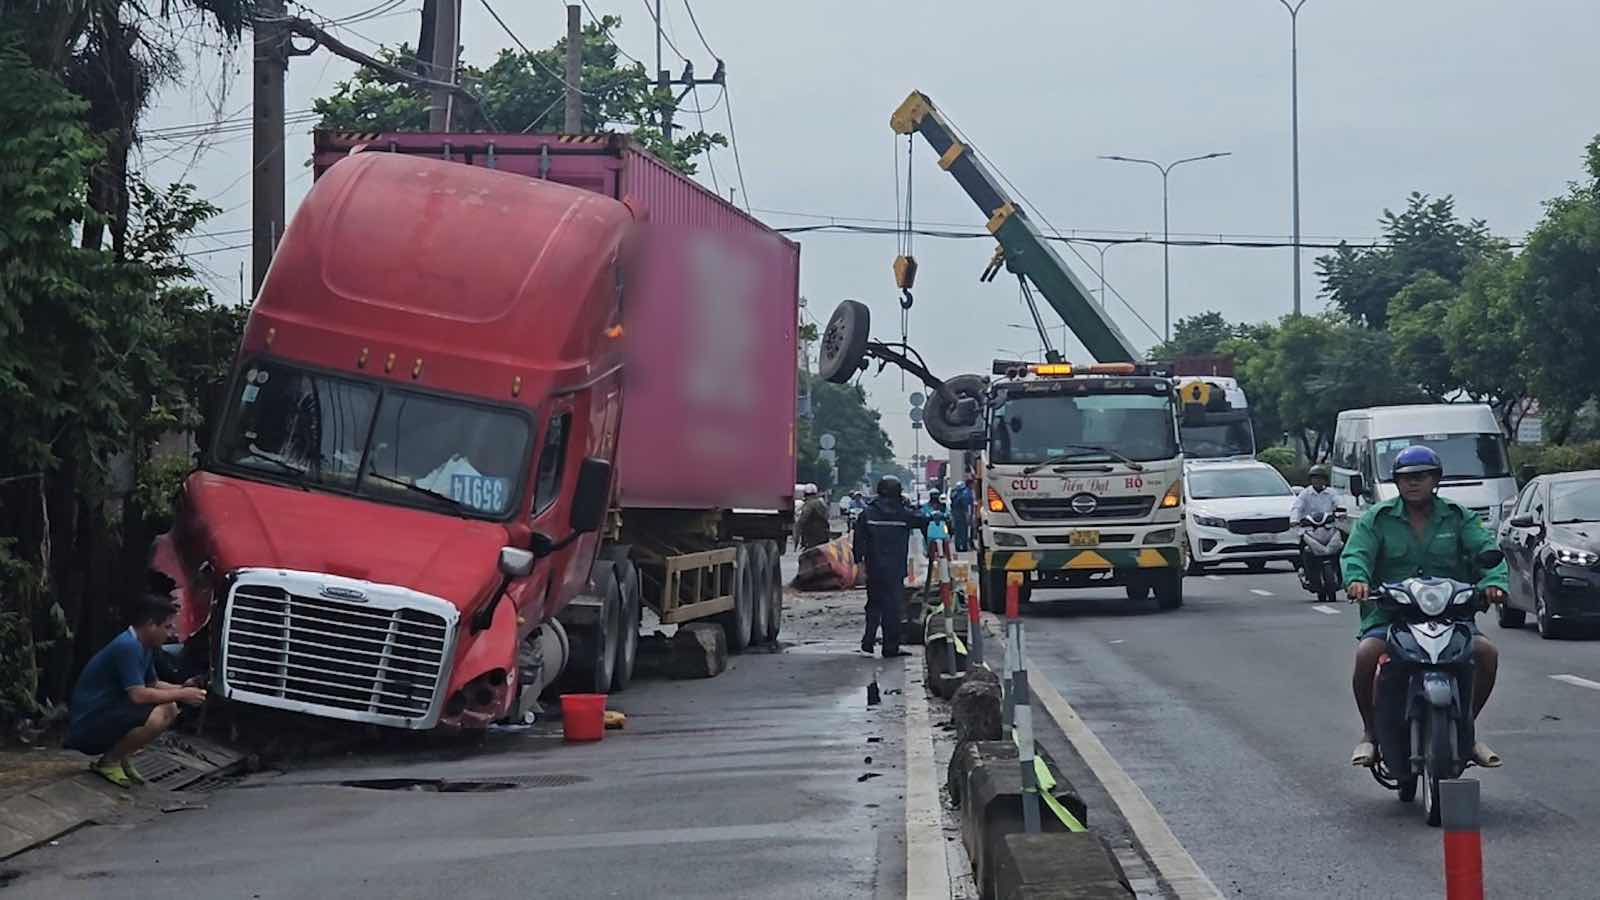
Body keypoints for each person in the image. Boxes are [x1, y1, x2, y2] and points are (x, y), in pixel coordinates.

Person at [1341, 445, 1507, 769]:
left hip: (1451, 615)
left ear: (1436, 480)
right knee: (1365, 656)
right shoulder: (1378, 519)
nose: (1412, 483)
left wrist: (1495, 584)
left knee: (1487, 654)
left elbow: (1487, 551)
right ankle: (1370, 734)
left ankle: (1465, 731)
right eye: (1405, 478)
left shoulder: (1459, 517)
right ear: (1397, 482)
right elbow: (1356, 554)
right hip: (1391, 616)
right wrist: (1357, 581)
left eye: (1420, 476)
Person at [65, 585, 207, 787]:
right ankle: (109, 761)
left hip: (109, 712)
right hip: (89, 723)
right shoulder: (128, 647)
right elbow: (138, 696)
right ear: (150, 625)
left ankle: (122, 756)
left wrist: (184, 689)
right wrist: (182, 694)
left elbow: (153, 684)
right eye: (167, 627)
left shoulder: (144, 646)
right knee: (159, 714)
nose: (171, 632)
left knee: (170, 707)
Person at [854, 475, 927, 658]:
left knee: (873, 606)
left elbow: (858, 542)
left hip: (874, 568)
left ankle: (867, 644)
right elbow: (922, 520)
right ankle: (890, 648)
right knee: (892, 609)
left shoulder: (867, 514)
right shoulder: (903, 514)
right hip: (895, 570)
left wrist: (859, 564)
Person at [1290, 464, 1341, 570]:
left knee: (1342, 545)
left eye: (1320, 478)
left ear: (1325, 480)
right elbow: (1297, 507)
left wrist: (1341, 512)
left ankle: (1342, 571)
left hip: (1329, 528)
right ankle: (1303, 569)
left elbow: (1339, 503)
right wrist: (1294, 520)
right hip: (1311, 530)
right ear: (1311, 480)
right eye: (1315, 478)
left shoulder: (1332, 493)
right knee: (1303, 545)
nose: (1318, 481)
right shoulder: (1305, 494)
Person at [950, 477, 974, 552]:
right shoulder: (965, 493)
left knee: (957, 531)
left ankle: (958, 546)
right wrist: (968, 517)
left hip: (955, 514)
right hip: (962, 515)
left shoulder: (955, 493)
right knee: (964, 531)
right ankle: (964, 546)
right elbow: (966, 506)